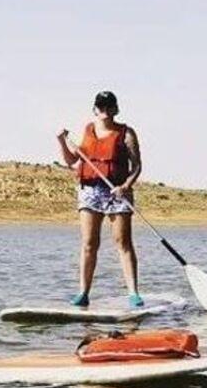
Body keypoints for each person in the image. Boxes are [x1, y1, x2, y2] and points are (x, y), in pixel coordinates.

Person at [57, 91, 144, 307]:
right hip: (90, 192)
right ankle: (83, 293)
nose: (104, 110)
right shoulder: (87, 131)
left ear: (115, 109)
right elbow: (71, 161)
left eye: (108, 106)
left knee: (122, 242)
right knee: (89, 244)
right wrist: (61, 140)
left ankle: (133, 293)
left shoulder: (126, 133)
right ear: (95, 109)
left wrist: (125, 186)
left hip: (117, 193)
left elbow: (137, 166)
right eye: (100, 106)